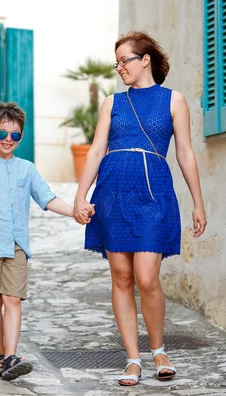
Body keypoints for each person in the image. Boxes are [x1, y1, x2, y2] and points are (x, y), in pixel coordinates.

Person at [73, 31, 207, 386]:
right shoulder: (111, 103)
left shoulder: (173, 100)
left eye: (124, 60)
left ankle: (159, 349)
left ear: (145, 59)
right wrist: (80, 196)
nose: (119, 68)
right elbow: (97, 149)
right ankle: (133, 359)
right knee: (121, 277)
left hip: (153, 192)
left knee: (147, 278)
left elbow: (185, 154)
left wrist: (198, 203)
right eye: (116, 62)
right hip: (113, 192)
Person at [0, 102, 93, 381]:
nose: (8, 140)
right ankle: (0, 356)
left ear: (21, 137)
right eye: (2, 134)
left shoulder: (27, 169)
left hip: (17, 245)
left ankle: (10, 355)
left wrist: (75, 212)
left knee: (13, 299)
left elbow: (47, 199)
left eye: (15, 135)